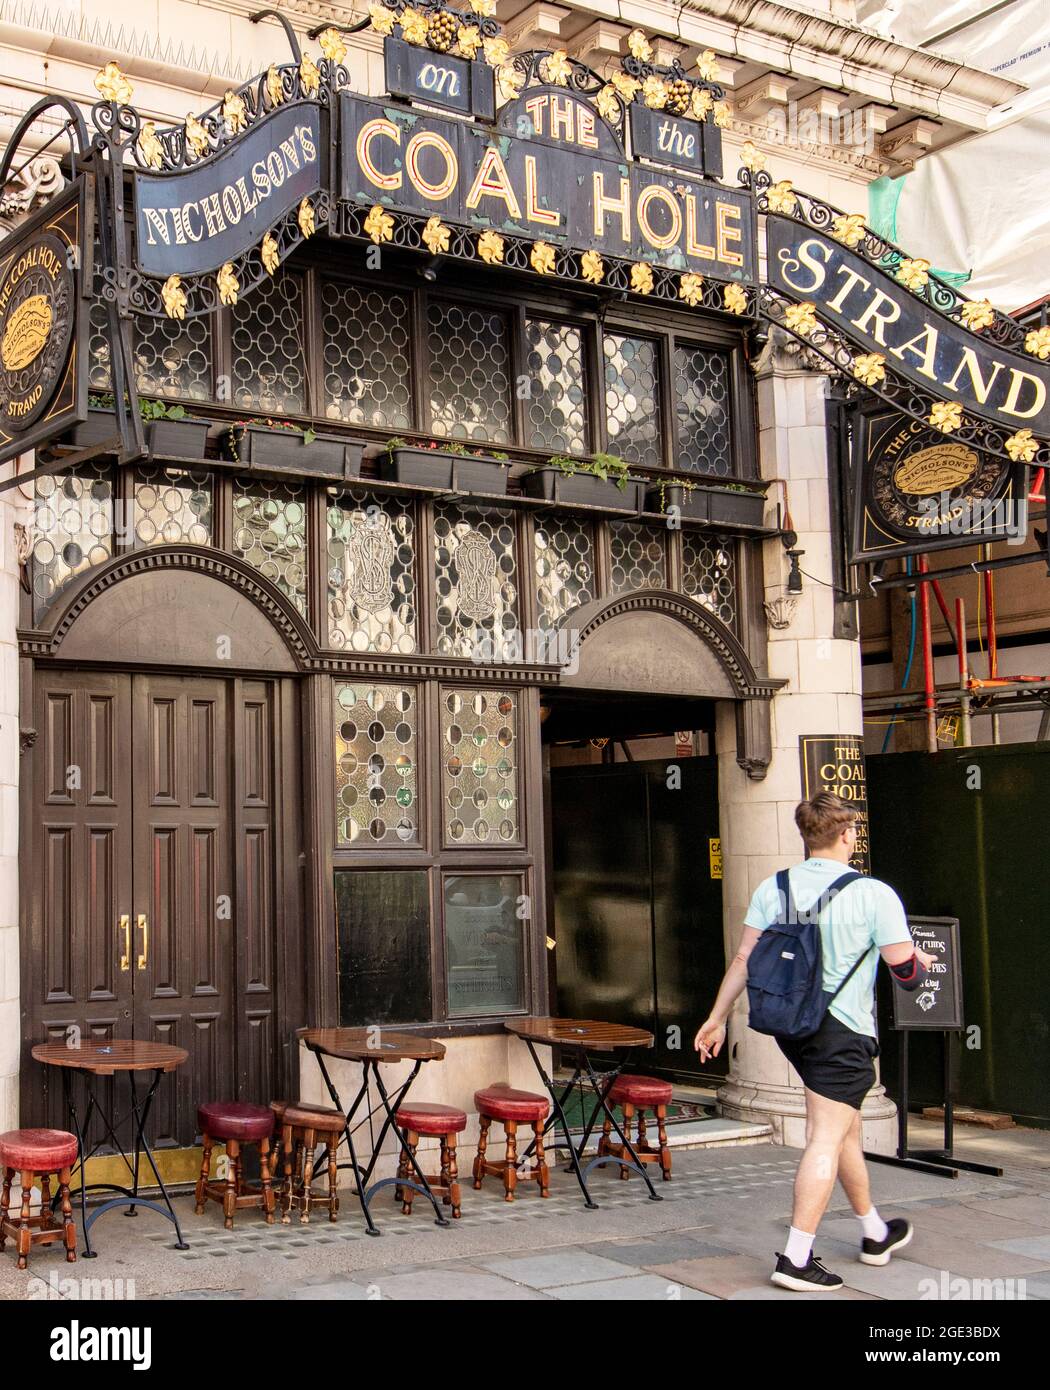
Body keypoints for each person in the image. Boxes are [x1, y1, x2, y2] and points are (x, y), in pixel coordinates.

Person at [693, 791, 937, 1292]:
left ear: (806, 837)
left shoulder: (774, 887)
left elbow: (743, 960)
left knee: (842, 1127)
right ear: (847, 834)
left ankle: (874, 1232)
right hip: (841, 1031)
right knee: (825, 1136)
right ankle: (796, 1258)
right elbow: (905, 971)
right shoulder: (874, 894)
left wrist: (717, 1018)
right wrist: (922, 963)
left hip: (791, 1029)